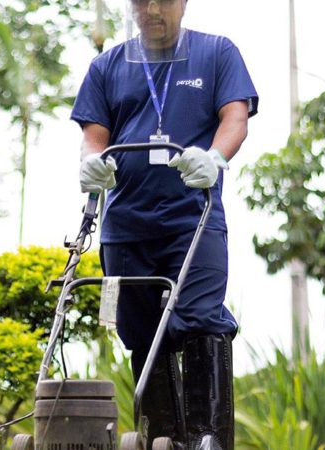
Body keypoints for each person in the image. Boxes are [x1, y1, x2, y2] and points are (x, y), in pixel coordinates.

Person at [71, 0, 258, 449]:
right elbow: (93, 139)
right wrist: (91, 164)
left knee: (200, 321)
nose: (152, 9)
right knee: (140, 333)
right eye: (141, 0)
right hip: (126, 225)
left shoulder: (216, 53)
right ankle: (161, 439)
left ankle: (207, 440)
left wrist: (215, 157)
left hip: (194, 221)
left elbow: (235, 118)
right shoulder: (107, 66)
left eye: (163, 0)